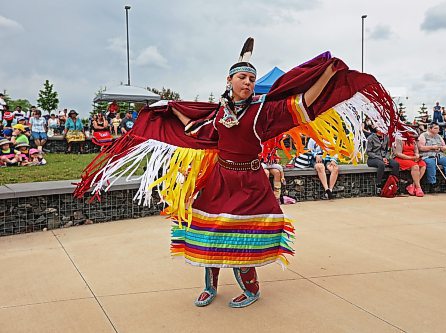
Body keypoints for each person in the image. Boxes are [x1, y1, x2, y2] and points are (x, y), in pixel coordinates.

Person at [75, 40, 410, 309]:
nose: (248, 82)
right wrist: (170, 108)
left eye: (251, 78)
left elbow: (305, 103)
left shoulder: (264, 110)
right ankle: (210, 287)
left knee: (240, 240)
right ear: (229, 81)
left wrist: (328, 74)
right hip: (220, 179)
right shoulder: (219, 112)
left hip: (249, 183)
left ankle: (251, 289)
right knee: (208, 236)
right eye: (242, 77)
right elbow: (194, 128)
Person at [417, 122, 446, 192]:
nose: (438, 130)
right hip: (427, 155)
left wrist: (442, 148)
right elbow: (420, 148)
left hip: (440, 155)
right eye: (435, 128)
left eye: (438, 128)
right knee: (430, 163)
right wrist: (432, 147)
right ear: (430, 128)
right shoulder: (423, 135)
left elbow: (445, 147)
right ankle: (432, 183)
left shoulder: (439, 136)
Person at [366, 128, 400, 194]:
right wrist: (381, 158)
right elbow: (369, 152)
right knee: (381, 164)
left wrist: (386, 158)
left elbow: (387, 150)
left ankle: (393, 182)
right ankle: (378, 185)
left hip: (384, 158)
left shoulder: (386, 137)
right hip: (373, 158)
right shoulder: (370, 138)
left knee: (396, 164)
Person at [259, 135, 285, 202]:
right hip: (262, 163)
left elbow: (275, 153)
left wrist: (276, 157)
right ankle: (266, 195)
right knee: (266, 173)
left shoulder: (274, 143)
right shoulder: (261, 143)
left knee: (277, 172)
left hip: (271, 163)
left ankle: (277, 196)